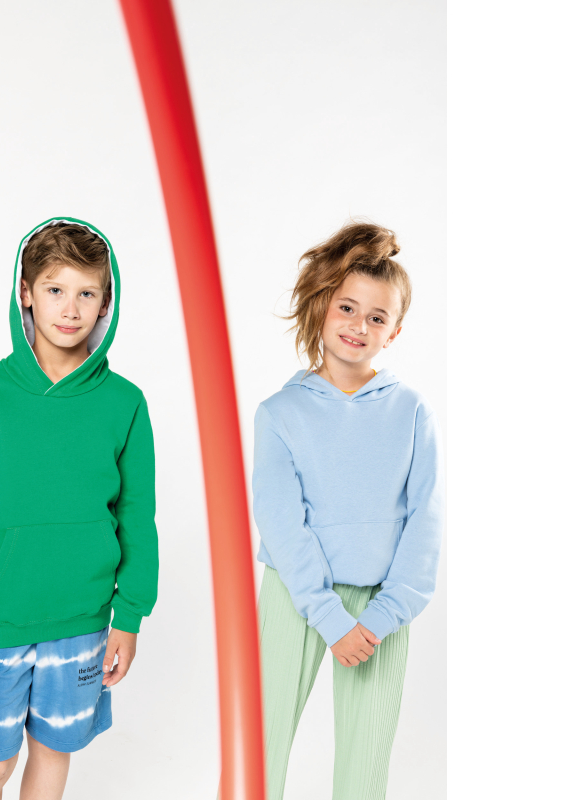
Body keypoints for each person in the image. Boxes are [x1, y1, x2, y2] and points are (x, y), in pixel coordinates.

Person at [0, 218, 159, 800]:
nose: (70, 309)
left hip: (82, 621)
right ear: (26, 293)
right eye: (56, 289)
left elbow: (137, 518)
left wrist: (129, 617)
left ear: (106, 302)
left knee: (53, 753)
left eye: (87, 293)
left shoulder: (125, 403)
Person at [250, 221, 443, 799]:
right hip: (295, 595)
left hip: (382, 607)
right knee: (260, 751)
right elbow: (282, 524)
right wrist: (329, 619)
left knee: (365, 768)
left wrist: (382, 616)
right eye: (347, 308)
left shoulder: (412, 412)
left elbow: (426, 522)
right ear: (323, 307)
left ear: (395, 330)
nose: (360, 326)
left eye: (377, 317)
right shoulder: (279, 413)